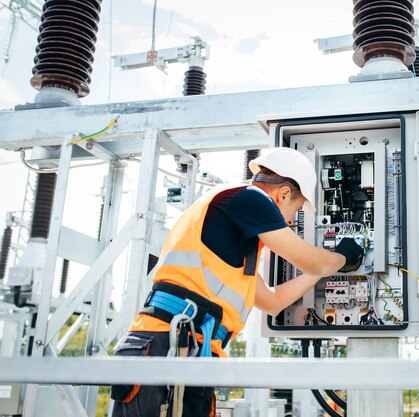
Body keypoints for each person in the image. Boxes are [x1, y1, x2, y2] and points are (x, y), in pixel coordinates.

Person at [111, 147, 363, 417]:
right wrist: (342, 257)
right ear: (284, 193)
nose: (291, 222)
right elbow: (315, 262)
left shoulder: (235, 240)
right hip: (170, 344)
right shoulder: (250, 198)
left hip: (183, 346)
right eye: (296, 211)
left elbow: (272, 302)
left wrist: (322, 270)